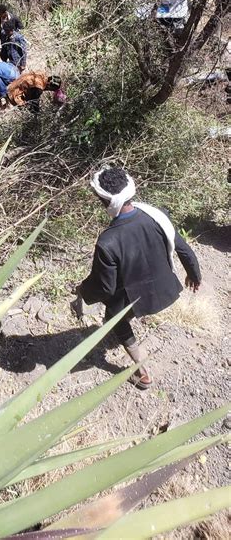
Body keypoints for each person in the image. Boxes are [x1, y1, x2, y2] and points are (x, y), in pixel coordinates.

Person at [76, 166, 201, 390]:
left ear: (103, 201)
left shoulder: (108, 242)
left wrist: (82, 291)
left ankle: (143, 374)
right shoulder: (157, 215)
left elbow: (105, 288)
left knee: (114, 318)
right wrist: (194, 275)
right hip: (167, 289)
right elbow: (184, 250)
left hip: (138, 300)